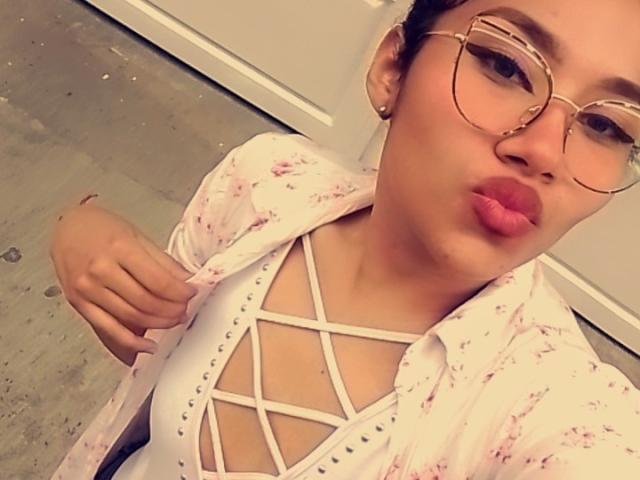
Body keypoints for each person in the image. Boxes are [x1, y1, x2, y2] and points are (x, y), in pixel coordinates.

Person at [49, 0, 640, 478]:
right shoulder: (267, 182)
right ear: (392, 69)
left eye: (606, 126)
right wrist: (79, 229)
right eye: (506, 66)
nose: (544, 150)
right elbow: (149, 346)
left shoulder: (551, 403)